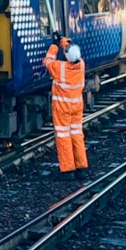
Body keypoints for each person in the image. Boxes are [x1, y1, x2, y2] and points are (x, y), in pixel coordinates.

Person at [44, 33, 89, 180]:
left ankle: (68, 170)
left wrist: (54, 45)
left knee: (64, 137)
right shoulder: (81, 65)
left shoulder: (60, 68)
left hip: (63, 108)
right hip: (76, 107)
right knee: (77, 135)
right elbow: (72, 52)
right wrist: (65, 42)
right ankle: (81, 168)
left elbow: (48, 61)